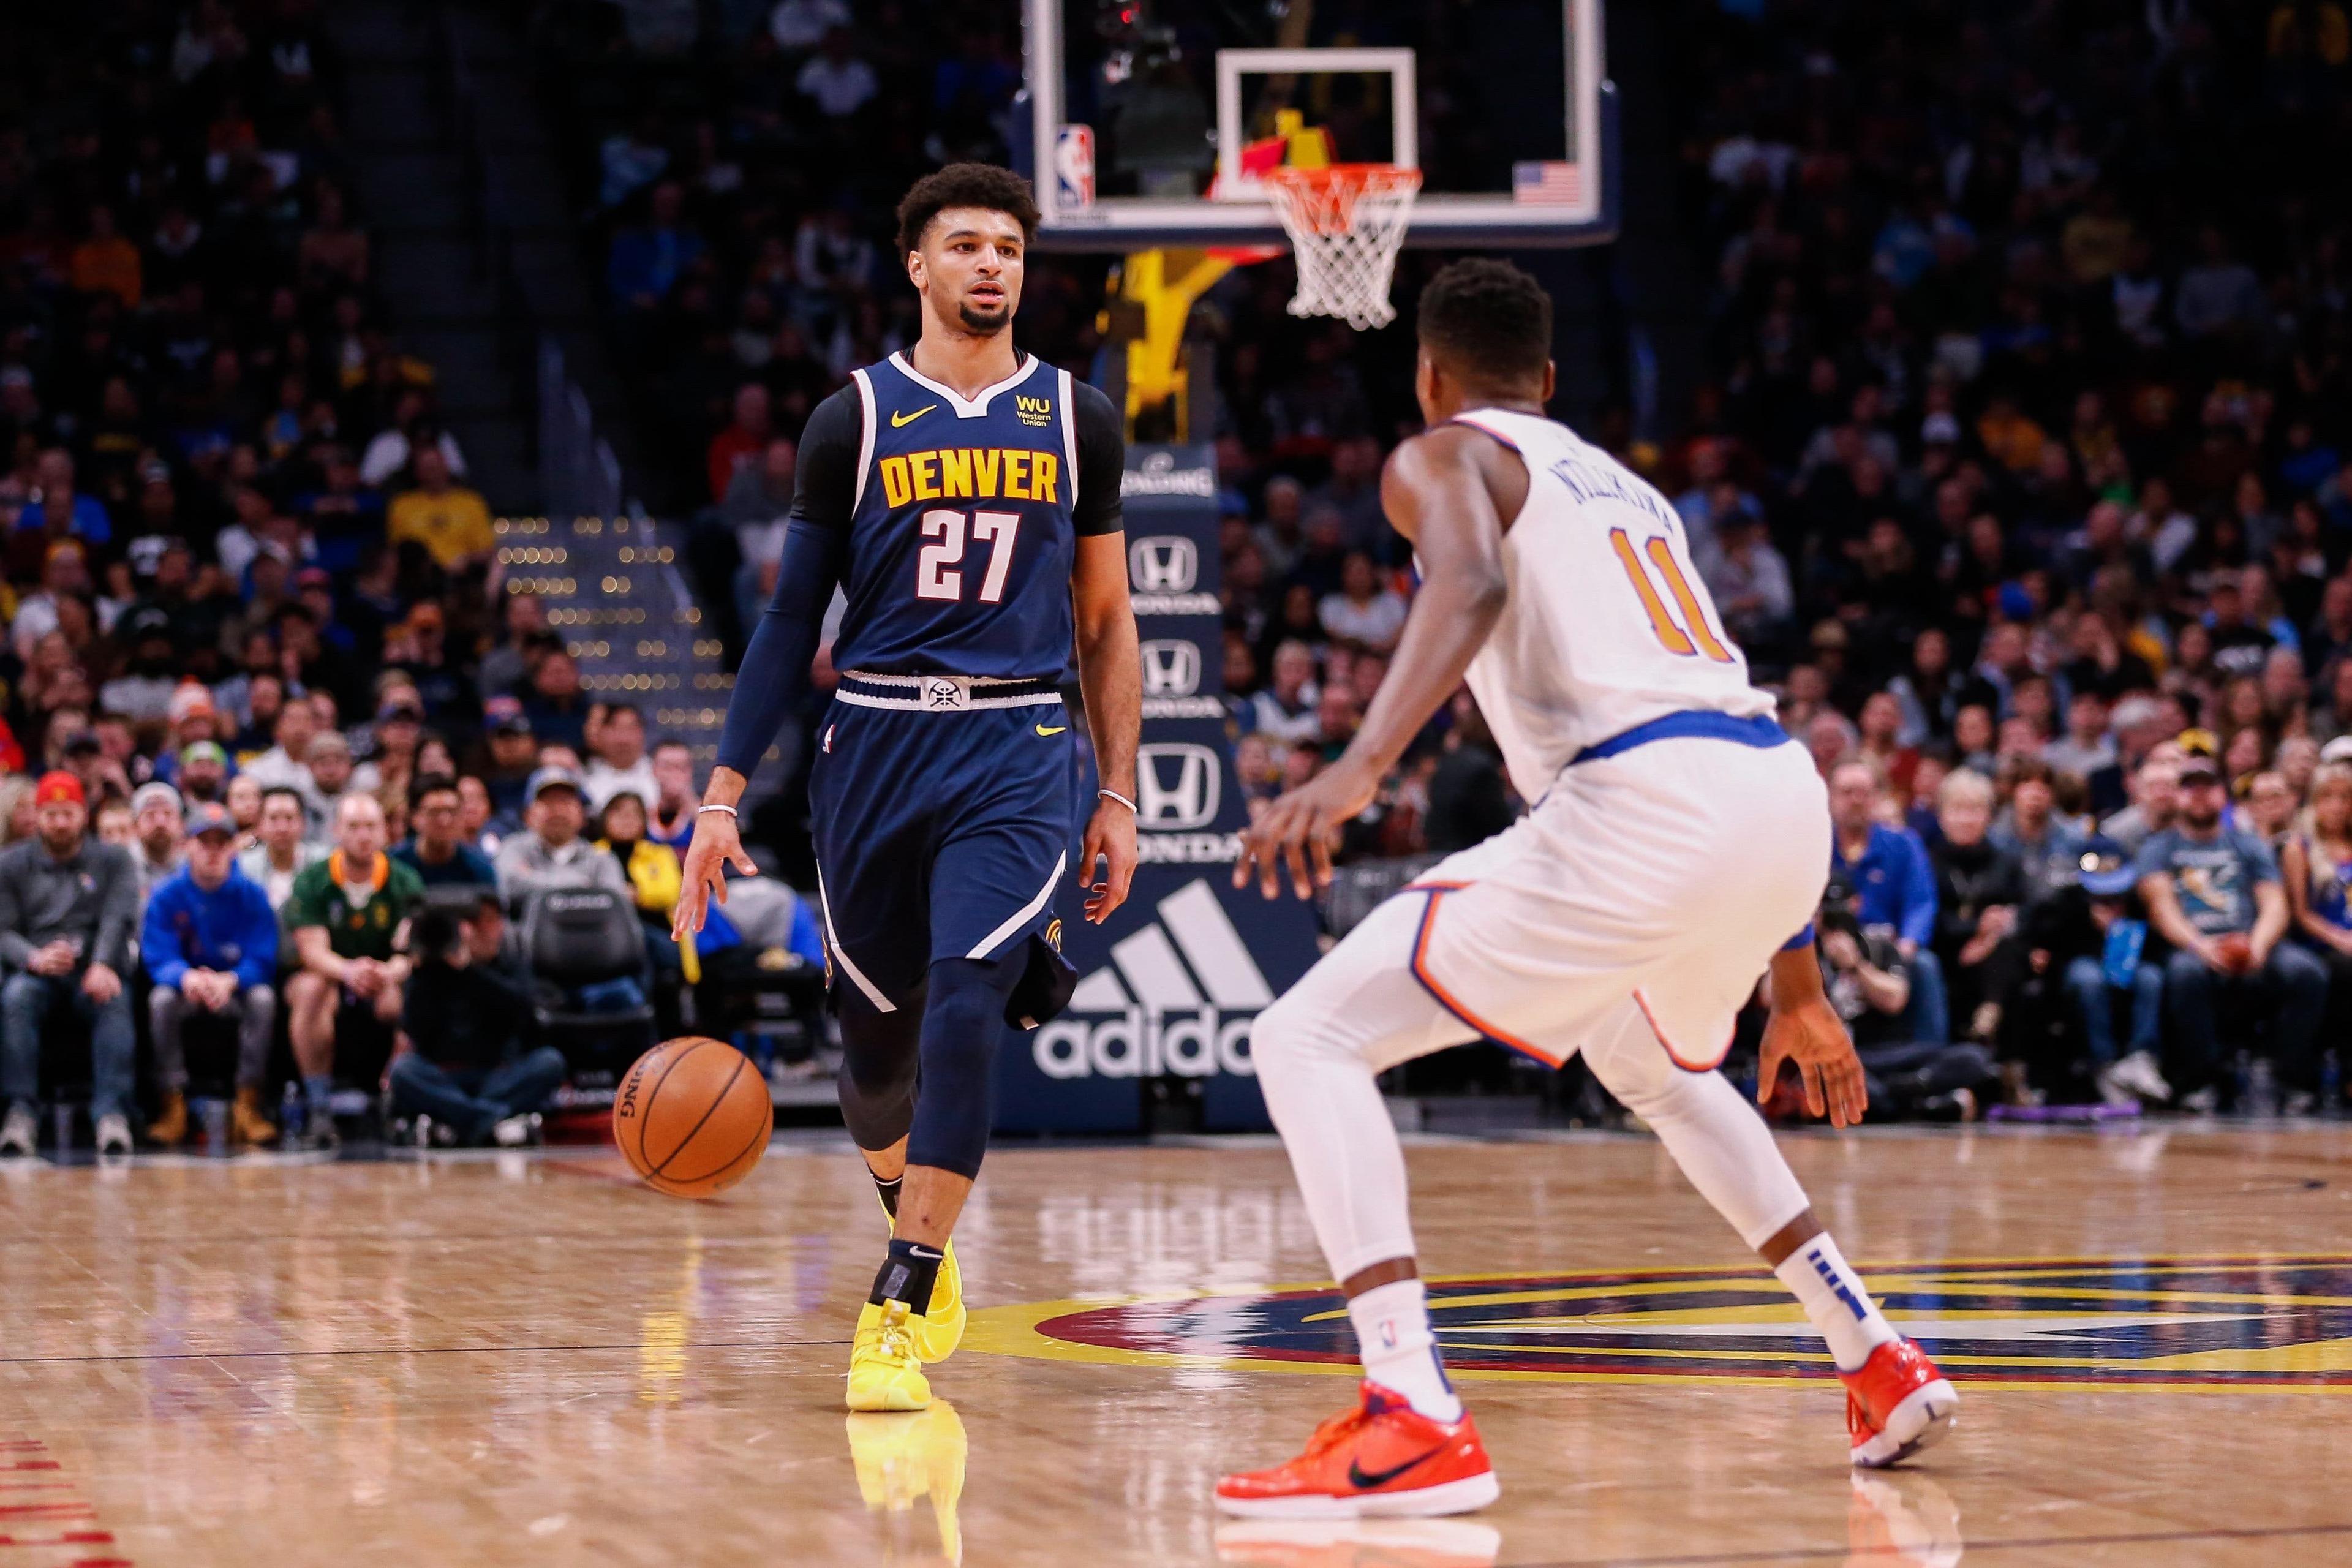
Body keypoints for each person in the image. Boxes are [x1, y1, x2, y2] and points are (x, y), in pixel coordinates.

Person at [1215, 260, 1953, 1519]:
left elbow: (1469, 583)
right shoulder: (1633, 490)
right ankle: (1875, 1354)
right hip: (1777, 790)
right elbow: (1714, 700)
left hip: (1640, 802)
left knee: (1306, 1034)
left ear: (1431, 378)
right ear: (1551, 383)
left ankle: (1411, 1410)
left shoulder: (1442, 454)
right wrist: (1798, 982)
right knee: (1657, 1067)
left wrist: (1354, 767)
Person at [674, 164, 1139, 1417]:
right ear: (918, 268)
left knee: (968, 1003)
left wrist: (1120, 791)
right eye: (968, 246)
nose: (994, 266)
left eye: (1010, 249)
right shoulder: (856, 418)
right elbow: (784, 624)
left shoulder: (1076, 417)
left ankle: (902, 1290)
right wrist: (721, 794)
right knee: (873, 1056)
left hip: (1017, 747)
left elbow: (1105, 620)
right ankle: (910, 1211)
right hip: (872, 743)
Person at [2133, 753, 2328, 1113]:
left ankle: (2290, 1078)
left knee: (2307, 973)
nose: (2200, 796)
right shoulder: (2159, 848)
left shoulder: (2247, 844)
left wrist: (2257, 945)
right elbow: (2161, 908)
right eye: (2191, 788)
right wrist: (2200, 945)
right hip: (2193, 944)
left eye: (2208, 788)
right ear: (2177, 797)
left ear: (2222, 796)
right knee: (2185, 974)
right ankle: (2202, 1081)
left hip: (2251, 938)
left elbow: (2274, 902)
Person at [0, 773, 140, 1156]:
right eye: (51, 814)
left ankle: (111, 1113)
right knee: (16, 998)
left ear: (84, 815)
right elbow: (2, 930)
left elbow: (117, 918)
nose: (60, 823)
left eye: (68, 813)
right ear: (37, 816)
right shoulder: (10, 864)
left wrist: (102, 963)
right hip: (37, 970)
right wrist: (33, 958)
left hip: (92, 969)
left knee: (112, 998)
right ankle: (20, 1111)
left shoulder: (114, 859)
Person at [283, 793, 425, 1148]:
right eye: (354, 827)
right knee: (313, 989)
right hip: (329, 974)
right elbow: (312, 951)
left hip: (382, 975)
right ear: (337, 831)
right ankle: (318, 1108)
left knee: (402, 997)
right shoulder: (313, 880)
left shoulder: (405, 881)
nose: (363, 835)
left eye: (371, 826)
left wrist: (389, 972)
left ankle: (392, 1102)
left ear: (385, 832)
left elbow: (411, 952)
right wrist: (349, 972)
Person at [141, 802, 280, 1148]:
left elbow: (263, 957)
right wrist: (186, 977)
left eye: (222, 843)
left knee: (263, 999)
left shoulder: (253, 895)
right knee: (160, 1001)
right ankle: (172, 1104)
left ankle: (248, 1104)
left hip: (233, 990)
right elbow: (157, 955)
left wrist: (230, 981)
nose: (214, 852)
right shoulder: (166, 895)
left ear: (234, 847)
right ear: (187, 844)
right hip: (187, 990)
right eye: (205, 842)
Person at [389, 898, 567, 1146]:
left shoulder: (509, 966)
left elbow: (524, 1013)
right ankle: (489, 1120)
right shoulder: (428, 973)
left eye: (488, 922)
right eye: (471, 923)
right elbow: (416, 1031)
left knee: (550, 1062)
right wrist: (418, 970)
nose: (478, 932)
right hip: (444, 1077)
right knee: (403, 1071)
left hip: (498, 1076)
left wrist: (469, 969)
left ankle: (459, 1122)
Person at [1826, 758, 1947, 1044]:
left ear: (1877, 797)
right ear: (1829, 796)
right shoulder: (1814, 844)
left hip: (1888, 946)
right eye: (1847, 792)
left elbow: (1922, 902)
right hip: (1828, 944)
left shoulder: (1904, 843)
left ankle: (1931, 1061)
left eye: (1864, 793)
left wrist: (1909, 943)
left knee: (1924, 965)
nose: (1856, 801)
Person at [2279, 759, 2352, 1099]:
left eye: (2345, 797)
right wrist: (2340, 939)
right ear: (2314, 801)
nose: (2337, 806)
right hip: (2319, 944)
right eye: (2328, 797)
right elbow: (2301, 913)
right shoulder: (2299, 848)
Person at [494, 766, 631, 911]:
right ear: (529, 815)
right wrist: (581, 886)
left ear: (582, 815)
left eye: (566, 802)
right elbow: (508, 887)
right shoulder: (513, 848)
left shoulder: (602, 859)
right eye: (548, 802)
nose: (558, 811)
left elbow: (616, 906)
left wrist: (532, 878)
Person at [391, 774, 497, 889]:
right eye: (435, 812)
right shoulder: (395, 866)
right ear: (414, 818)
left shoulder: (479, 869)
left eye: (452, 811)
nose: (445, 821)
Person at [238, 785, 325, 910]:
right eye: (273, 818)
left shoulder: (322, 863)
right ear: (259, 825)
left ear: (303, 823)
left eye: (289, 818)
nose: (282, 828)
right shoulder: (244, 867)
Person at [584, 701, 658, 812]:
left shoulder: (659, 776)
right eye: (616, 729)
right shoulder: (584, 776)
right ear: (601, 734)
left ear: (643, 734)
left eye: (631, 729)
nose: (624, 740)